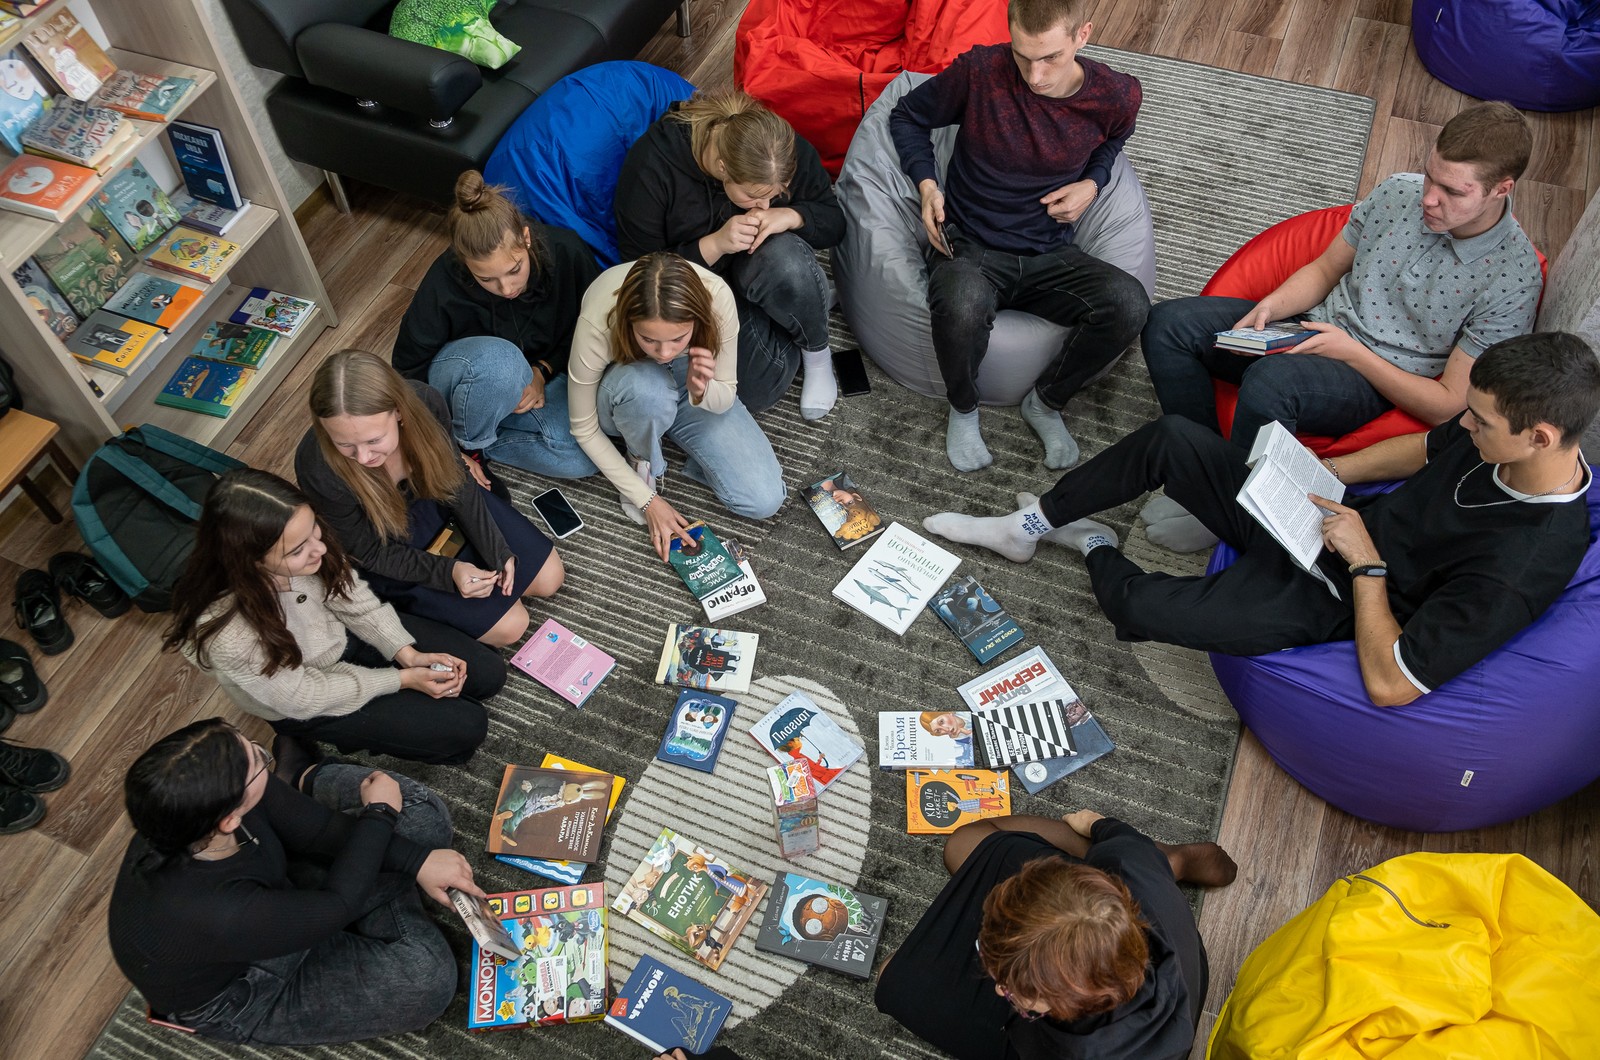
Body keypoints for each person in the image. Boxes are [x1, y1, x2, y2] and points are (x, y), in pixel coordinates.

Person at [923, 332, 1599, 706]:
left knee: (1145, 604)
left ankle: (1096, 544)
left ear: (1540, 437)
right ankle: (1029, 527)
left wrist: (1365, 561)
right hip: (1333, 521)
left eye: (1480, 421)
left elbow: (1394, 682)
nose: (1465, 425)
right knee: (1174, 437)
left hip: (1339, 596)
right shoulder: (1491, 437)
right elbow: (1426, 446)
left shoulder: (1523, 562)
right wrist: (1321, 473)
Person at [1140, 101, 1543, 552]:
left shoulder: (1513, 278)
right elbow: (1325, 269)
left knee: (1271, 383)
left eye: (1452, 191)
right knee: (1166, 323)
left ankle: (1229, 509)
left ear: (1500, 190)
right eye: (1430, 176)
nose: (1429, 197)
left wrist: (1349, 352)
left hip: (1374, 378)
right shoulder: (1398, 192)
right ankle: (1205, 467)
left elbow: (1450, 406)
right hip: (1309, 328)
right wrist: (1272, 307)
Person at [890, 0, 1150, 473]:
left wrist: (1093, 182)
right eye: (1022, 55)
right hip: (970, 242)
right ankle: (963, 407)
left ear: (1082, 36)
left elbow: (1115, 139)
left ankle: (1047, 401)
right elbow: (907, 116)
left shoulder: (1116, 94)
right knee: (961, 301)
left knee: (1130, 303)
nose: (1034, 75)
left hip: (1050, 250)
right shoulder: (981, 71)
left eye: (1050, 57)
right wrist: (927, 185)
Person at [107, 718, 481, 1044]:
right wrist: (380, 814)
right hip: (246, 984)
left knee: (422, 819)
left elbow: (319, 831)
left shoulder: (201, 809)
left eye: (247, 744)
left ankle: (314, 787)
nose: (258, 751)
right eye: (256, 762)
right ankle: (380, 883)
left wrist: (415, 859)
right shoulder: (214, 910)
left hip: (281, 897)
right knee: (426, 982)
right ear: (228, 822)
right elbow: (338, 906)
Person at [165, 469, 500, 764]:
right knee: (467, 729)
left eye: (314, 530)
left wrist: (406, 652)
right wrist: (401, 679)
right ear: (249, 560)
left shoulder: (311, 544)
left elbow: (351, 596)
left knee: (488, 673)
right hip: (304, 693)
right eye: (297, 550)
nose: (321, 548)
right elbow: (303, 696)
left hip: (339, 637)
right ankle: (322, 741)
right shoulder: (228, 634)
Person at [876, 812, 1237, 1060]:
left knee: (894, 979)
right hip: (1160, 934)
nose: (1000, 987)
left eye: (1012, 989)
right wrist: (1097, 824)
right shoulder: (1131, 868)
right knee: (964, 844)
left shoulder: (1074, 1051)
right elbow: (1119, 838)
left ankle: (1165, 860)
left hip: (1060, 1042)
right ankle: (1172, 860)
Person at [298, 349, 563, 647]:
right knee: (513, 627)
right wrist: (448, 573)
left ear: (398, 411)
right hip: (390, 541)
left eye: (374, 440)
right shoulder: (318, 468)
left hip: (440, 499)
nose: (362, 457)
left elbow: (455, 481)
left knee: (549, 578)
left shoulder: (425, 401)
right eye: (344, 444)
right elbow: (371, 553)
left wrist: (496, 549)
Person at [615, 88, 846, 419]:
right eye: (754, 196)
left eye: (776, 194)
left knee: (785, 262)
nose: (764, 206)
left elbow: (834, 223)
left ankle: (817, 351)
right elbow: (639, 271)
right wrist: (714, 245)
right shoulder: (651, 169)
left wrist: (791, 216)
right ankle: (808, 301)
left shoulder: (776, 148)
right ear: (723, 167)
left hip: (767, 263)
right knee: (753, 390)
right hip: (699, 287)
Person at [568, 252, 785, 557]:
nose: (665, 353)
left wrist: (701, 390)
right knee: (647, 391)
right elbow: (584, 428)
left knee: (763, 499)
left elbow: (724, 398)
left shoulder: (717, 297)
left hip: (686, 382)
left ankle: (668, 437)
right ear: (629, 324)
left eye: (678, 339)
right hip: (626, 385)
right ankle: (641, 453)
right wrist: (647, 500)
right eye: (649, 339)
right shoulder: (598, 321)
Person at [392, 170, 599, 480]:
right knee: (502, 363)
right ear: (464, 262)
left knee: (582, 458)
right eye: (486, 278)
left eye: (515, 270)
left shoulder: (567, 253)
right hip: (468, 377)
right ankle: (462, 451)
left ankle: (480, 444)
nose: (506, 288)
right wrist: (438, 437)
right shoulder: (442, 281)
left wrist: (544, 369)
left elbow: (594, 327)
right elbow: (408, 368)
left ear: (526, 238)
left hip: (534, 382)